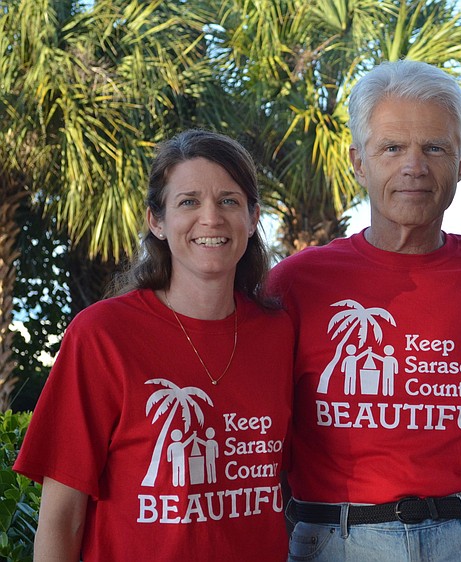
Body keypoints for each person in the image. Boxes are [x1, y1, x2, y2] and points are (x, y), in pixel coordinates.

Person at [267, 59, 461, 561]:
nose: (414, 166)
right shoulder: (295, 283)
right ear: (358, 162)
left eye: (435, 148)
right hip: (337, 541)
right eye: (392, 148)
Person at [14, 129, 295, 561]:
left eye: (228, 201)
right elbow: (62, 516)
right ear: (157, 222)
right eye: (188, 202)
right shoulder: (102, 335)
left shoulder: (279, 333)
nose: (211, 218)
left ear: (253, 217)